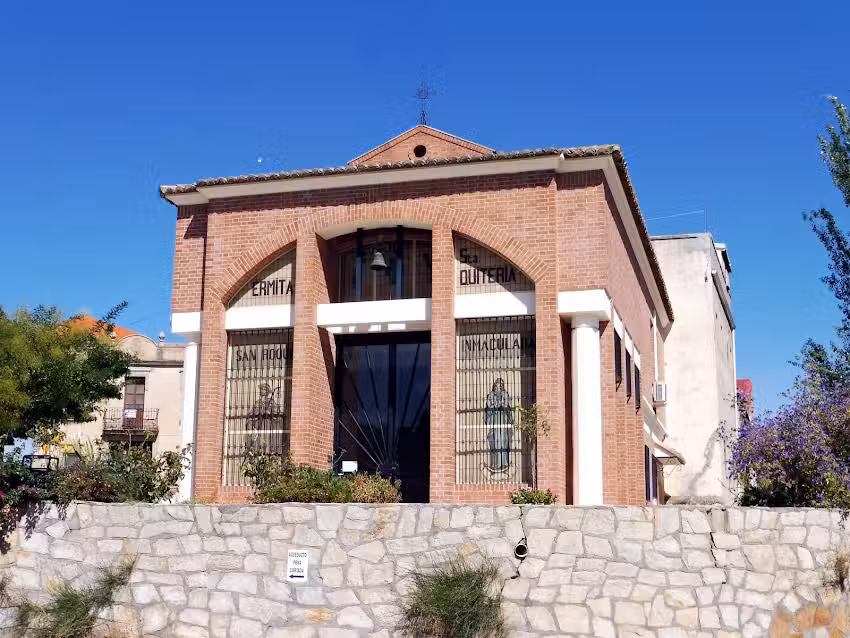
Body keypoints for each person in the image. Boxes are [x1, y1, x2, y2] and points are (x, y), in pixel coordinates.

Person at [485, 377, 514, 471]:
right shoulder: (491, 395)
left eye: (502, 384)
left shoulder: (505, 394)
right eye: (498, 383)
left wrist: (501, 404)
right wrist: (497, 405)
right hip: (495, 419)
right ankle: (496, 464)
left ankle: (504, 462)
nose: (500, 385)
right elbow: (489, 406)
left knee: (504, 441)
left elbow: (506, 405)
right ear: (495, 385)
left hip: (503, 419)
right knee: (496, 441)